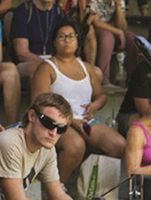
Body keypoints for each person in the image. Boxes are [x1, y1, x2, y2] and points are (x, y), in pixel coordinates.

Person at [30, 20, 125, 184]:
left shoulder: (86, 67)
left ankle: (93, 190)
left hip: (86, 120)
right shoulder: (47, 67)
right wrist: (70, 121)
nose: (67, 40)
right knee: (75, 145)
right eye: (62, 36)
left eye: (71, 36)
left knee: (119, 145)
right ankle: (56, 188)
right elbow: (39, 102)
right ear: (54, 41)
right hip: (56, 122)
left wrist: (94, 106)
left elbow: (101, 95)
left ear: (78, 41)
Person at [0, 93, 73, 200]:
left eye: (61, 129)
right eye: (48, 123)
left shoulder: (47, 149)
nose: (54, 133)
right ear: (32, 116)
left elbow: (58, 195)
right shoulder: (9, 143)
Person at [12, 0, 68, 77]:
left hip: (54, 61)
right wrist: (49, 64)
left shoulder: (60, 13)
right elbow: (22, 53)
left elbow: (65, 47)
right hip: (29, 61)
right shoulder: (24, 11)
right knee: (40, 70)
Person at [88, 0, 129, 89]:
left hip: (113, 29)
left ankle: (133, 80)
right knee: (107, 37)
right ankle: (104, 81)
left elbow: (123, 27)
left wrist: (118, 7)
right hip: (96, 29)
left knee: (132, 38)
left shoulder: (120, 1)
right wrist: (118, 32)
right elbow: (95, 22)